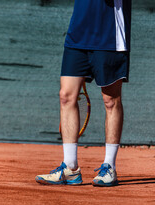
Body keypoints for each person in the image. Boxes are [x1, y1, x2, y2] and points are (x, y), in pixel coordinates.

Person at [35, 0, 132, 187]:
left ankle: (109, 167)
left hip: (110, 36)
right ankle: (70, 168)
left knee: (110, 100)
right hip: (78, 35)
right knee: (66, 96)